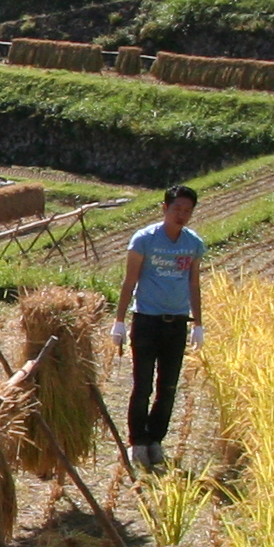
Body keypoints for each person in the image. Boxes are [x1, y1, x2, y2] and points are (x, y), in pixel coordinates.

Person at [110, 185, 206, 469]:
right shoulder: (144, 240)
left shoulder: (193, 243)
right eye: (177, 209)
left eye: (187, 211)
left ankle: (155, 441)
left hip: (176, 322)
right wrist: (119, 321)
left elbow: (194, 283)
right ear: (164, 209)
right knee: (143, 385)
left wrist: (198, 323)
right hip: (147, 320)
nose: (182, 215)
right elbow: (130, 281)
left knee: (169, 386)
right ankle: (137, 441)